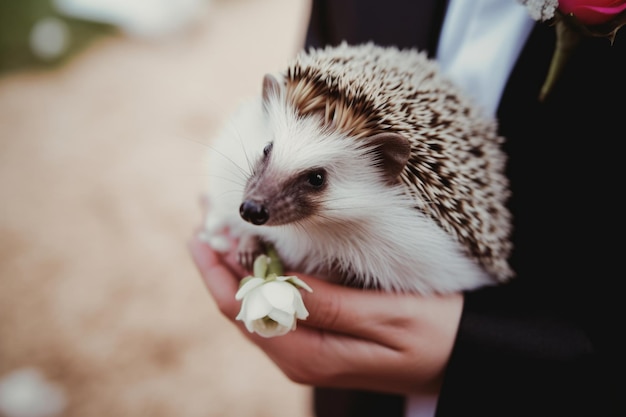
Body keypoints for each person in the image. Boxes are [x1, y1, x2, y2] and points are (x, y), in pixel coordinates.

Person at [189, 1, 625, 416]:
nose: (258, 199)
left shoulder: (404, 233)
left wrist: (476, 350)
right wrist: (249, 239)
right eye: (266, 156)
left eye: (316, 180)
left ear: (384, 168)